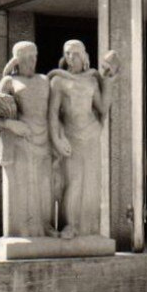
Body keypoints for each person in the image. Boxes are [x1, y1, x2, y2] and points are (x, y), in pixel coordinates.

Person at [0, 41, 56, 237]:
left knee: (44, 185)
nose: (32, 61)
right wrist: (12, 125)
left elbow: (53, 111)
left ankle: (44, 226)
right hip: (20, 140)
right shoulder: (9, 81)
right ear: (18, 60)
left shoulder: (44, 80)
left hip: (43, 138)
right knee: (24, 185)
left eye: (35, 57)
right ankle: (24, 230)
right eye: (27, 58)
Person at [48, 41, 118, 238]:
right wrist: (57, 139)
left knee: (91, 182)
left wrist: (110, 81)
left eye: (75, 54)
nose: (71, 57)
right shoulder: (58, 81)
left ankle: (88, 227)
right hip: (71, 135)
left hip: (91, 134)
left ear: (84, 56)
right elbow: (53, 114)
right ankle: (70, 225)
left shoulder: (91, 80)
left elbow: (103, 107)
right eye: (68, 54)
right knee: (73, 180)